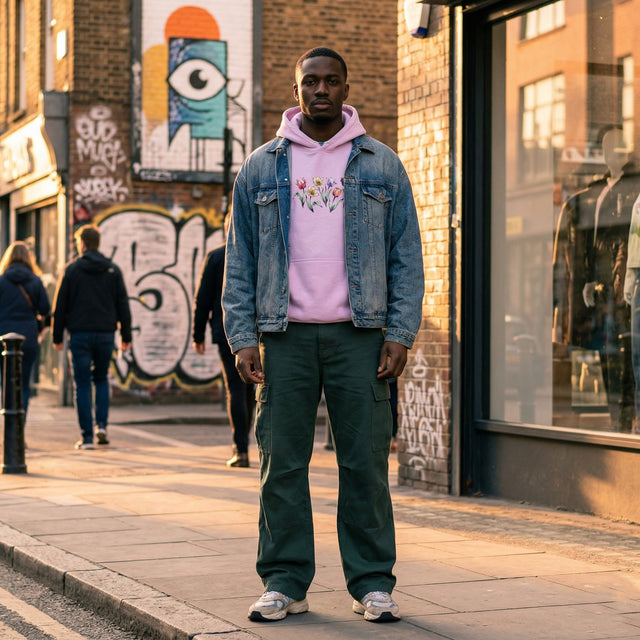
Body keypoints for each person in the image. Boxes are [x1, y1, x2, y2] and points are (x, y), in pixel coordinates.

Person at [223, 47, 424, 624]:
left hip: (359, 335)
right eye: (310, 81)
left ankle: (371, 584)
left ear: (344, 87)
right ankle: (285, 580)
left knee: (363, 464)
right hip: (283, 337)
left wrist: (401, 331)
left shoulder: (381, 164)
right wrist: (243, 335)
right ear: (296, 90)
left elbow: (405, 256)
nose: (320, 90)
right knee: (281, 463)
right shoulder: (262, 166)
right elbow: (241, 258)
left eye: (331, 81)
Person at [554, 127, 640, 432]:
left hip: (621, 291)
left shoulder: (633, 187)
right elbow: (587, 245)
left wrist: (613, 286)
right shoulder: (595, 191)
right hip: (596, 293)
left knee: (624, 364)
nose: (610, 152)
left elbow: (624, 241)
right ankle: (615, 428)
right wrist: (584, 284)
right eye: (605, 146)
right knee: (605, 363)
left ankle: (623, 429)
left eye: (616, 145)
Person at [52, 224, 132, 450]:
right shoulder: (113, 270)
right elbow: (122, 304)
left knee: (83, 384)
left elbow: (61, 305)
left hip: (79, 335)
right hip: (106, 334)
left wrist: (57, 336)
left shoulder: (72, 269)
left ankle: (87, 437)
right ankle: (102, 427)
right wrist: (126, 334)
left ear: (82, 243)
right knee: (101, 379)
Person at [192, 220, 255, 467]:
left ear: (227, 228)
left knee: (236, 389)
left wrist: (198, 336)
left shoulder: (216, 256)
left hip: (227, 332)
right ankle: (254, 444)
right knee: (255, 390)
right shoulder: (256, 254)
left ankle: (241, 451)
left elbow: (202, 299)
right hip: (259, 330)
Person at [0, 241, 51, 414]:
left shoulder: (1, 281)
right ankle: (20, 429)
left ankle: (8, 432)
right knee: (24, 384)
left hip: (3, 338)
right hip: (28, 338)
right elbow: (45, 309)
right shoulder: (35, 281)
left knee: (5, 383)